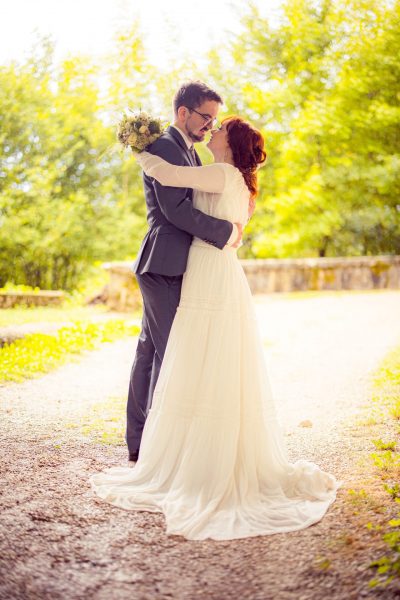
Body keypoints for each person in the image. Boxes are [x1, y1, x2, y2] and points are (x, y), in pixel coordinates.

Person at [89, 115, 342, 541]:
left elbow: (168, 175)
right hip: (220, 271)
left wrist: (139, 148)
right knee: (213, 356)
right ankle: (197, 448)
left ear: (230, 142)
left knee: (195, 353)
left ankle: (192, 458)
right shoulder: (236, 179)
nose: (213, 129)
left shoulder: (222, 173)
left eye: (220, 126)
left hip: (207, 268)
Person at [126, 81, 243, 463]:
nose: (210, 125)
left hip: (172, 261)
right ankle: (156, 446)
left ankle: (142, 441)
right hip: (164, 260)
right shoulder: (165, 146)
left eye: (214, 119)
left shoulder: (187, 151)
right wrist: (225, 233)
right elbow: (175, 211)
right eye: (206, 117)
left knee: (151, 349)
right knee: (170, 351)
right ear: (183, 113)